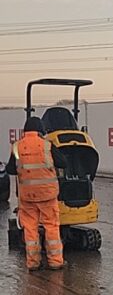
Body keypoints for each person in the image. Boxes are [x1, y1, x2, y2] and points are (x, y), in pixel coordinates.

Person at [6, 116, 68, 271]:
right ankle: (55, 262)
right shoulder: (47, 145)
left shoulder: (17, 147)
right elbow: (63, 163)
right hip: (47, 195)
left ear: (25, 131)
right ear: (40, 130)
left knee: (30, 229)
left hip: (27, 197)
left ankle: (33, 263)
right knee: (51, 226)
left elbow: (10, 169)